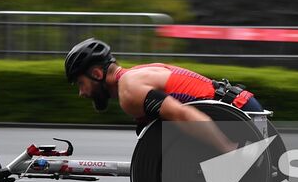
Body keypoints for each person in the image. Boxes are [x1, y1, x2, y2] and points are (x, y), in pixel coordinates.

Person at [64, 38, 265, 153]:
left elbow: (182, 115)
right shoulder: (136, 75)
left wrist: (228, 149)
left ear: (97, 74)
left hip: (239, 114)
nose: (81, 93)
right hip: (245, 108)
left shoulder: (129, 91)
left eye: (81, 83)